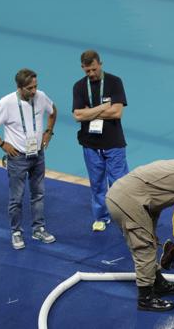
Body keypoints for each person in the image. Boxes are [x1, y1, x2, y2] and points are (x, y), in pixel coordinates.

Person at [105, 155, 174, 312]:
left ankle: (158, 284)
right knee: (144, 247)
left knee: (150, 240)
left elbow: (159, 199)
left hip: (133, 199)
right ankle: (145, 298)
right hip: (127, 201)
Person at [0, 68, 57, 250]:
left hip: (38, 155)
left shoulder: (41, 96)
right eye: (30, 88)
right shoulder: (6, 103)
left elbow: (53, 111)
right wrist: (1, 143)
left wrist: (48, 132)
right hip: (17, 158)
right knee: (17, 198)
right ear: (19, 87)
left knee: (38, 194)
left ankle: (38, 229)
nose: (34, 91)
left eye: (36, 86)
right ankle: (16, 232)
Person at [72, 50, 129, 232]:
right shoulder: (79, 86)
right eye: (87, 71)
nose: (91, 74)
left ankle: (125, 217)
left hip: (114, 144)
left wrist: (89, 111)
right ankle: (101, 217)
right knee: (97, 184)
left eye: (94, 69)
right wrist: (104, 107)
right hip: (91, 145)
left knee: (119, 184)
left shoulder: (114, 82)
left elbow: (117, 112)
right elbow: (77, 116)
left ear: (100, 64)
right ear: (82, 68)